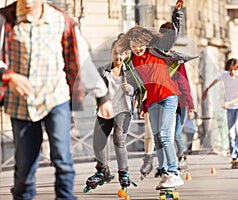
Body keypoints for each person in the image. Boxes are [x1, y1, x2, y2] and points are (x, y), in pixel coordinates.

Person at [0, 1, 112, 199]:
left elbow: (81, 59)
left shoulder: (61, 20)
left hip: (55, 98)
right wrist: (7, 75)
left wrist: (102, 96)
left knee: (62, 158)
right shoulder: (4, 19)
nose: (28, 3)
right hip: (21, 103)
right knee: (25, 166)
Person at [117, 0, 185, 190]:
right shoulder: (132, 62)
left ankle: (174, 172)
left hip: (168, 96)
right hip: (152, 101)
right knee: (156, 138)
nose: (138, 48)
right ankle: (164, 173)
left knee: (164, 135)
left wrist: (177, 13)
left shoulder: (157, 50)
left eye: (140, 44)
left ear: (146, 42)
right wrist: (127, 89)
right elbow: (134, 87)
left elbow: (174, 34)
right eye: (134, 45)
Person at [139, 21, 196, 177]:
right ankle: (164, 167)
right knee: (160, 135)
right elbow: (147, 85)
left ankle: (175, 165)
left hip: (177, 101)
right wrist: (144, 107)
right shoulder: (152, 57)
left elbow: (184, 84)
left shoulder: (175, 59)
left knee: (171, 134)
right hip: (159, 99)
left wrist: (190, 105)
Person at [85, 37, 137, 191]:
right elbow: (94, 86)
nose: (118, 57)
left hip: (122, 110)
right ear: (111, 53)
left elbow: (137, 89)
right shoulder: (103, 70)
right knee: (98, 142)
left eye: (121, 54)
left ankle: (123, 172)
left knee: (118, 141)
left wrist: (131, 90)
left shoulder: (130, 72)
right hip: (105, 110)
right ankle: (103, 170)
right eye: (115, 53)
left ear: (126, 54)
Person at [202, 58, 238, 163]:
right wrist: (206, 90)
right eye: (231, 70)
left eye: (235, 70)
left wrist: (229, 103)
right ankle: (234, 156)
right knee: (231, 132)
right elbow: (215, 81)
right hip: (230, 107)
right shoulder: (225, 75)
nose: (233, 72)